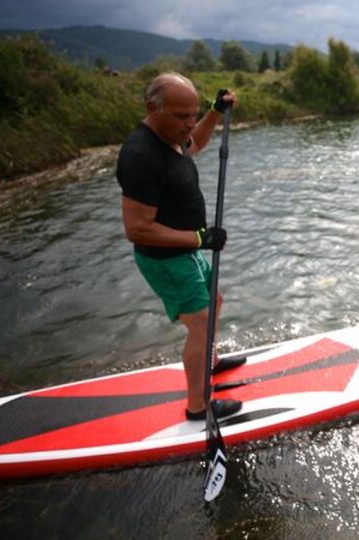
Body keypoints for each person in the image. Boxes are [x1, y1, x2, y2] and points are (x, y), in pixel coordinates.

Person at [116, 72, 245, 422]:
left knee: (214, 300)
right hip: (166, 259)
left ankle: (211, 362)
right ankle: (198, 406)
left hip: (186, 251)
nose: (189, 124)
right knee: (201, 325)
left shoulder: (173, 137)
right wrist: (200, 238)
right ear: (152, 109)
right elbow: (138, 229)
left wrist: (215, 112)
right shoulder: (141, 155)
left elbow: (197, 144)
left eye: (193, 114)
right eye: (181, 116)